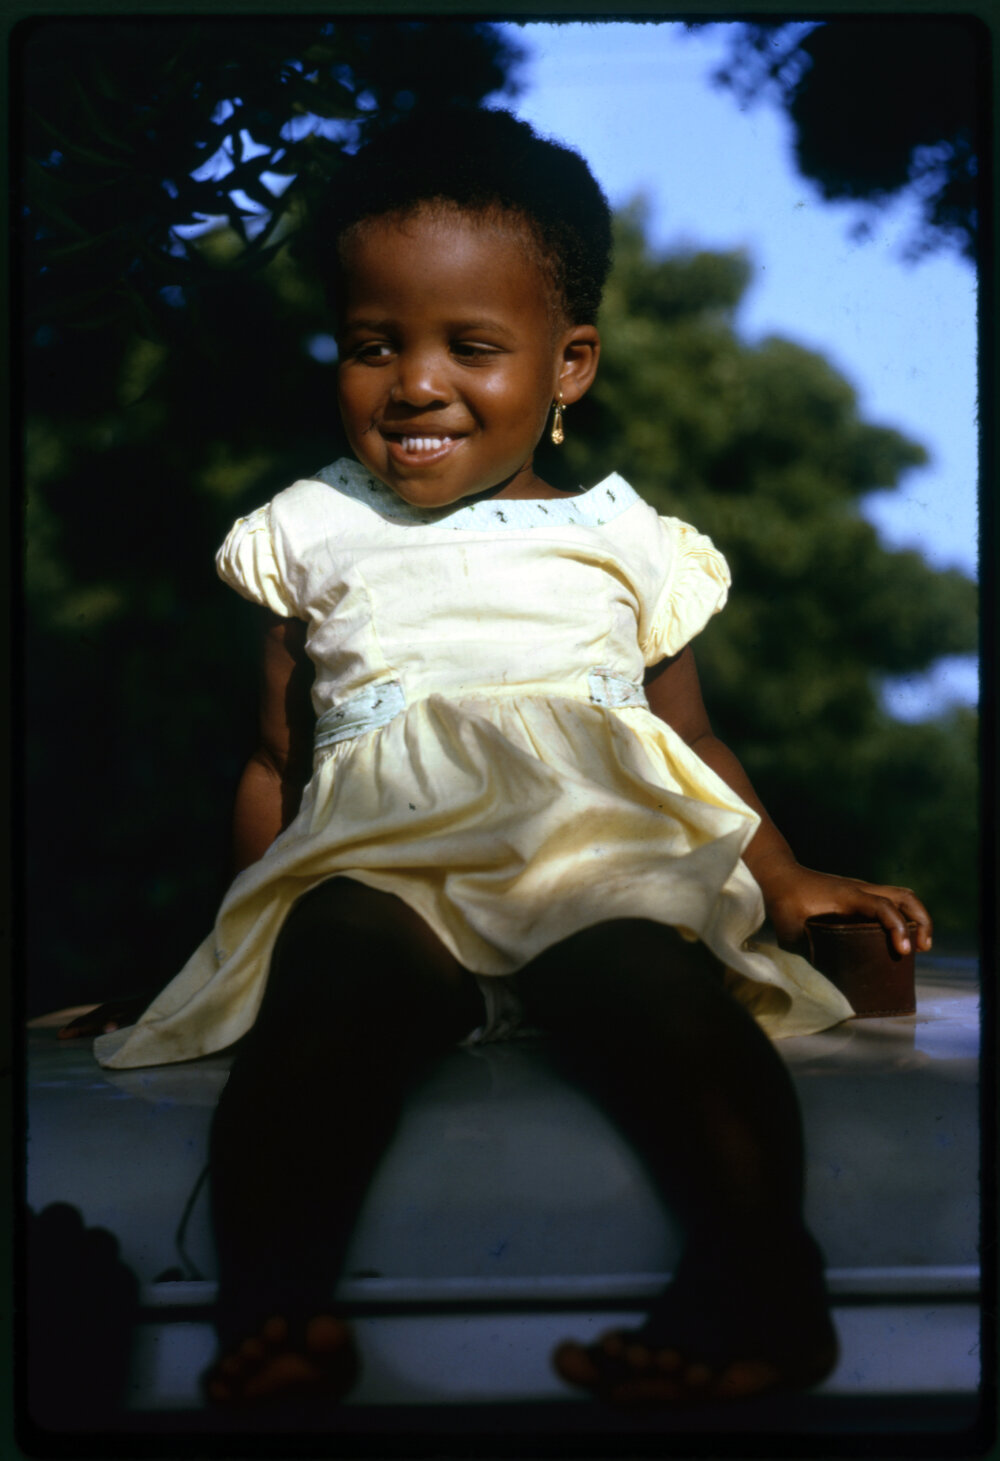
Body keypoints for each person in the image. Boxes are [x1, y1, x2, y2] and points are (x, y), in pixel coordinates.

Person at [70, 106, 932, 1409]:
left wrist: (788, 871)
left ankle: (759, 1285)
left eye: (471, 346)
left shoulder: (623, 536)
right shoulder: (308, 529)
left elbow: (690, 736)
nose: (416, 382)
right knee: (328, 997)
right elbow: (274, 758)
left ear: (569, 363)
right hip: (384, 871)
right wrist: (230, 939)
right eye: (375, 344)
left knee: (655, 989)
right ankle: (282, 1304)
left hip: (595, 867)